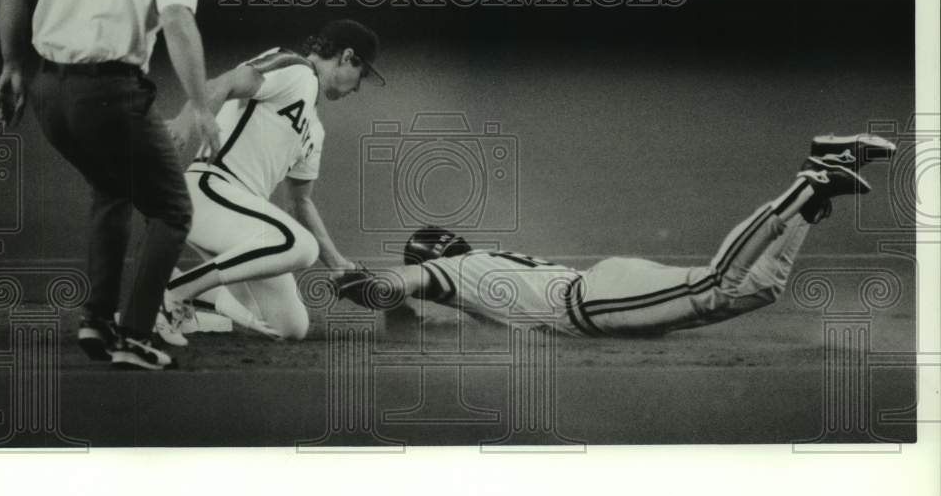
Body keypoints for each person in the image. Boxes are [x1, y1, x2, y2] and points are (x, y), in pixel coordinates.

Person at [0, 0, 222, 370]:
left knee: (113, 189)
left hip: (48, 91)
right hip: (109, 96)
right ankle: (134, 334)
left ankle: (96, 321)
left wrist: (12, 65)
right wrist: (203, 107)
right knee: (171, 211)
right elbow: (178, 18)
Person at [335, 134, 896, 336]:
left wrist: (356, 283)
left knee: (717, 285)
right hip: (601, 287)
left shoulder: (452, 272)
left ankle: (806, 184)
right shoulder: (480, 266)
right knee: (757, 290)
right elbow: (406, 315)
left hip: (593, 301)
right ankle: (819, 181)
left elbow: (394, 289)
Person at [155, 19, 384, 344]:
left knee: (290, 327)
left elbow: (299, 202)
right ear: (348, 57)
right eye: (361, 74)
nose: (358, 86)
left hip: (238, 219)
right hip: (209, 190)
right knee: (298, 245)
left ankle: (183, 293)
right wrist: (183, 121)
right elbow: (222, 82)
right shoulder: (295, 69)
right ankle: (175, 294)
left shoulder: (315, 131)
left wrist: (338, 266)